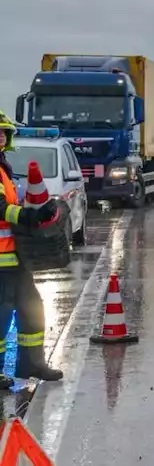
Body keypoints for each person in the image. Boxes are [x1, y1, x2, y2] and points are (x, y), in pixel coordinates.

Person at [0, 111, 63, 386]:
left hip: (15, 256)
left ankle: (32, 364)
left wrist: (37, 208)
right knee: (1, 317)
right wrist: (27, 216)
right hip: (1, 261)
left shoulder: (4, 168)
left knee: (31, 310)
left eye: (4, 132)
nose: (1, 137)